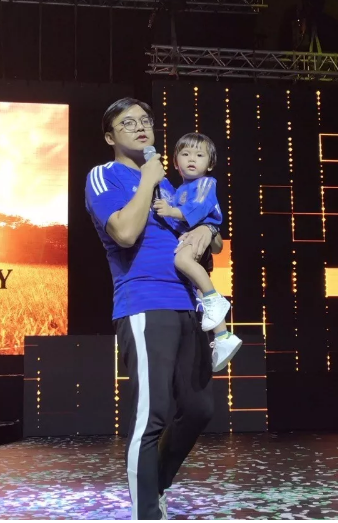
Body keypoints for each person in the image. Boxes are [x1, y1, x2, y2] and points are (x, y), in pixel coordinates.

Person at [85, 98, 240, 520]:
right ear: (110, 136)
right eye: (128, 123)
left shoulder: (172, 186)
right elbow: (124, 233)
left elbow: (209, 236)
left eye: (146, 121)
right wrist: (147, 180)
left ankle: (156, 485)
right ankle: (147, 513)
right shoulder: (104, 175)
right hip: (145, 303)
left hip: (187, 305)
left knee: (199, 409)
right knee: (151, 416)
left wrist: (208, 232)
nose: (140, 127)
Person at [153, 132, 242, 369]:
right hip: (190, 236)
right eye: (185, 154)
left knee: (182, 261)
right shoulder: (181, 188)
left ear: (210, 164)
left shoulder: (206, 183)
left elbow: (198, 208)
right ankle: (223, 337)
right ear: (175, 162)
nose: (192, 159)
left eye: (199, 155)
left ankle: (215, 299)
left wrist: (171, 211)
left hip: (201, 235)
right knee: (198, 289)